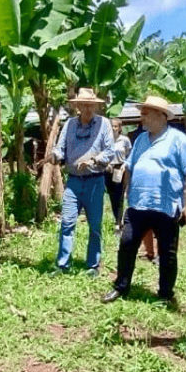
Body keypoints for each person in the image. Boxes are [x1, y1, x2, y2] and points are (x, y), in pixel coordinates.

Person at [103, 96, 186, 305]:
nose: (141, 117)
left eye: (145, 113)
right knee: (127, 244)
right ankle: (121, 286)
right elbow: (130, 166)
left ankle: (165, 294)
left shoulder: (178, 139)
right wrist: (125, 192)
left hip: (165, 204)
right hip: (138, 203)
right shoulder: (141, 139)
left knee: (167, 252)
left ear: (160, 116)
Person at [51, 88, 116, 274]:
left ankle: (93, 265)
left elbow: (110, 152)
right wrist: (54, 156)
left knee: (95, 225)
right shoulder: (70, 124)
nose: (88, 109)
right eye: (84, 105)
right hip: (73, 182)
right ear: (77, 106)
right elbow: (60, 148)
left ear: (95, 106)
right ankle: (63, 264)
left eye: (91, 105)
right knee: (67, 222)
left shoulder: (104, 124)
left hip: (95, 180)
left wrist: (93, 161)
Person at [104, 118, 133, 229]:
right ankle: (116, 217)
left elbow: (130, 154)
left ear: (120, 128)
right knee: (111, 195)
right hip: (108, 168)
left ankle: (119, 221)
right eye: (112, 126)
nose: (113, 128)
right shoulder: (106, 140)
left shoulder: (124, 140)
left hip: (119, 168)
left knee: (119, 194)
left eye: (116, 126)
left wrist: (124, 165)